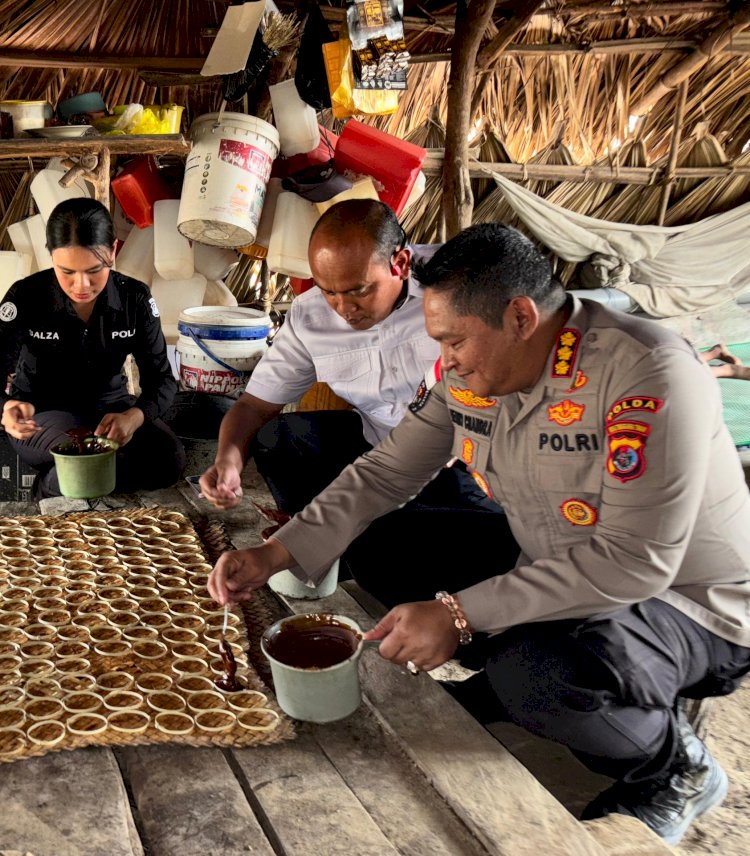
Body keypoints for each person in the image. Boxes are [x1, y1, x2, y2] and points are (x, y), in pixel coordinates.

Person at [208, 223, 750, 846]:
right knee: (383, 547)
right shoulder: (473, 374)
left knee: (537, 672)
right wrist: (276, 552)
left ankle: (672, 770)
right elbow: (386, 472)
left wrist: (458, 615)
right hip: (552, 562)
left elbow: (636, 562)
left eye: (454, 341)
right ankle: (508, 671)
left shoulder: (644, 373)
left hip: (688, 604)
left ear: (520, 316)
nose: (449, 359)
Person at [200, 198, 516, 603]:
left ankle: (366, 540)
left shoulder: (459, 294)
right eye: (329, 292)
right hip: (387, 452)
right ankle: (343, 544)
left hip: (460, 465)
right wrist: (230, 462)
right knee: (284, 439)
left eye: (359, 292)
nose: (344, 309)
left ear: (400, 263)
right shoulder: (313, 315)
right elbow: (258, 407)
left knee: (471, 556)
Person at [0, 197, 185, 498]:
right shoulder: (26, 296)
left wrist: (133, 417)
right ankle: (51, 490)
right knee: (82, 448)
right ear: (52, 258)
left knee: (169, 459)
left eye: (93, 270)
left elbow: (161, 380)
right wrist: (7, 409)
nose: (81, 285)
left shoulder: (134, 299)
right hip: (44, 416)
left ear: (112, 252)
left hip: (110, 408)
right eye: (67, 272)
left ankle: (70, 480)